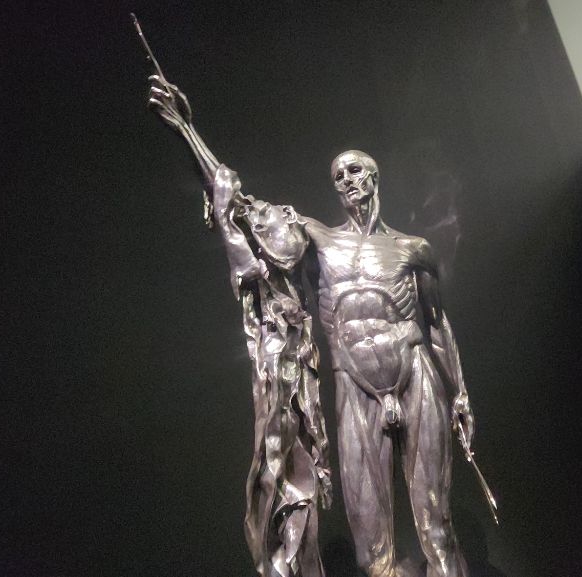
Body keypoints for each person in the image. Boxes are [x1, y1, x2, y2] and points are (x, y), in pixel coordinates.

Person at [148, 75, 476, 577]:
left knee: (436, 528)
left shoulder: (413, 249)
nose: (344, 181)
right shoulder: (319, 239)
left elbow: (436, 324)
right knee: (372, 553)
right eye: (337, 176)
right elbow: (241, 204)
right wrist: (186, 129)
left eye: (353, 171)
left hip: (417, 375)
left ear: (373, 178)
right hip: (355, 386)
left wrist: (461, 395)